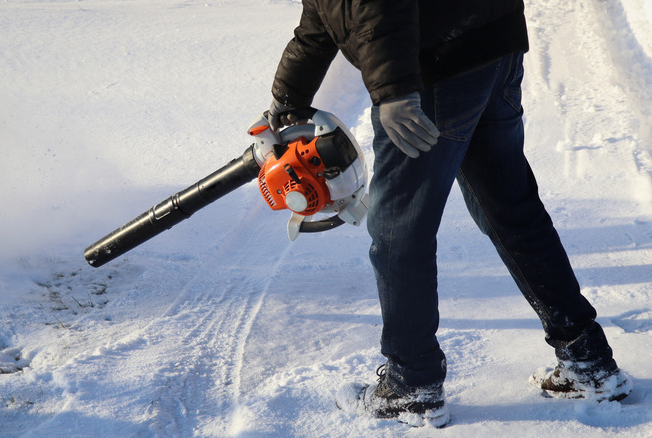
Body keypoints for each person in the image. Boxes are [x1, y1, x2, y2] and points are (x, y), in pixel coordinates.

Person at [267, 0, 632, 428]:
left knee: (400, 233)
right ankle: (588, 358)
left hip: (431, 71)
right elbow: (322, 16)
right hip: (491, 44)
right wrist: (287, 100)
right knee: (510, 208)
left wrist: (394, 91)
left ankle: (412, 385)